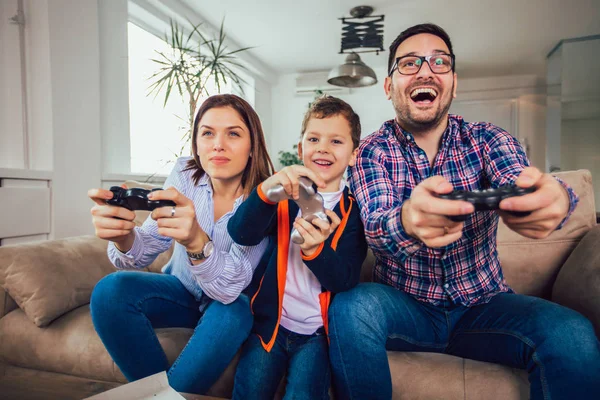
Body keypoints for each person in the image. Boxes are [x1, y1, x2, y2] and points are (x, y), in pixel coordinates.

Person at [327, 23, 600, 400]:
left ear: (453, 82)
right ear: (389, 86)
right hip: (407, 308)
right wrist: (408, 220)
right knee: (351, 307)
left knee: (572, 333)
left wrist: (555, 197)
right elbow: (375, 227)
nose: (425, 70)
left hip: (484, 307)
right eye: (409, 63)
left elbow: (522, 182)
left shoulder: (489, 138)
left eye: (439, 62)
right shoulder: (373, 150)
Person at [87, 94, 275, 394]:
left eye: (234, 134)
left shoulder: (266, 198)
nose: (218, 145)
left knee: (235, 311)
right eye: (208, 133)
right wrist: (125, 237)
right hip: (182, 293)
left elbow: (231, 286)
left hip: (228, 304)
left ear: (253, 146)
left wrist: (196, 241)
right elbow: (145, 245)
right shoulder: (186, 173)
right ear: (197, 144)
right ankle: (161, 395)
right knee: (110, 291)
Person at [227, 96, 368, 400]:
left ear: (354, 155)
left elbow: (344, 280)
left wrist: (316, 251)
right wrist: (266, 191)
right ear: (301, 148)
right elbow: (241, 234)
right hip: (270, 327)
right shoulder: (281, 197)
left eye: (336, 141)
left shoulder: (355, 212)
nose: (323, 148)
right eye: (314, 138)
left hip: (318, 336)